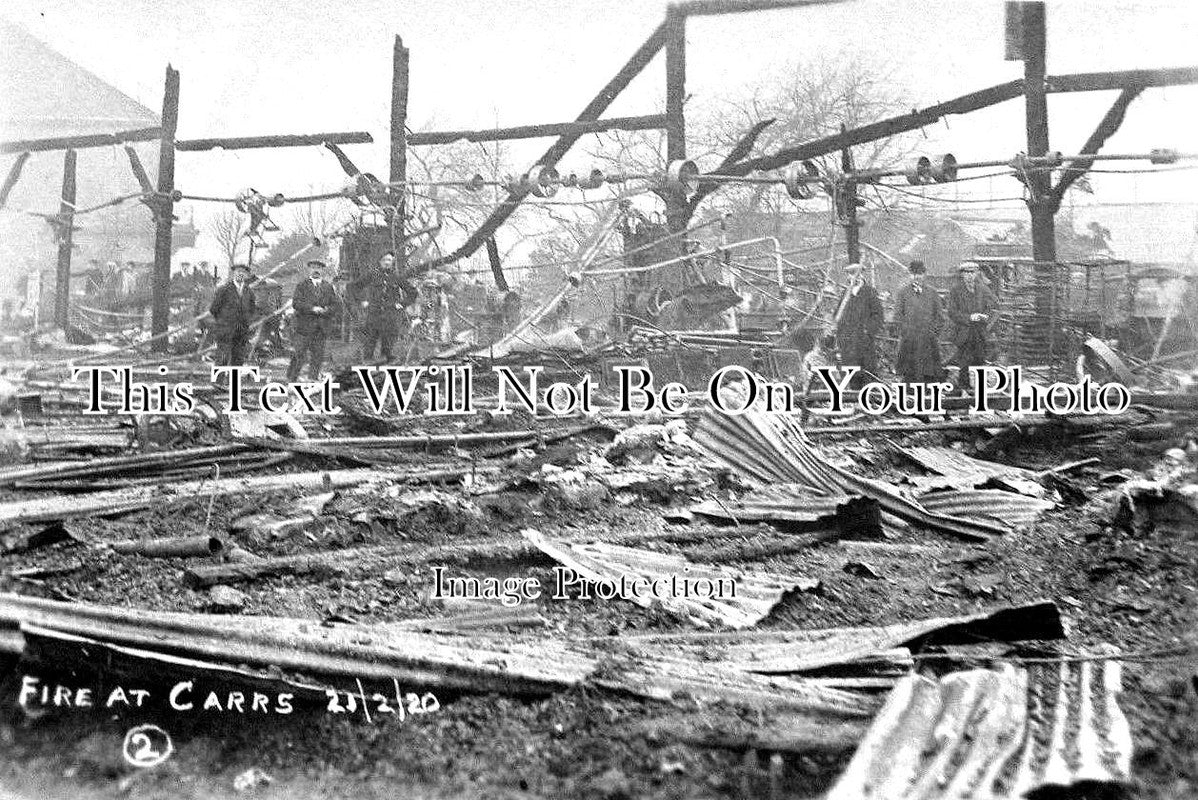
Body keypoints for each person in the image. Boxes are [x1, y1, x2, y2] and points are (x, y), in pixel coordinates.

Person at [350, 252, 416, 363]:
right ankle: (367, 368)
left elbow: (413, 292)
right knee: (370, 343)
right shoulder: (372, 275)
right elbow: (354, 287)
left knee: (388, 346)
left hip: (390, 315)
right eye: (384, 259)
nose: (386, 262)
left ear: (392, 262)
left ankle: (384, 370)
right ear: (380, 261)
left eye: (389, 260)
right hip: (374, 314)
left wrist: (402, 304)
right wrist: (362, 301)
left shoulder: (396, 277)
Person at [947, 260, 998, 393]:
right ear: (962, 274)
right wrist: (969, 317)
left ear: (976, 274)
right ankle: (964, 389)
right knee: (964, 362)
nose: (969, 275)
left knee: (980, 359)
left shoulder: (983, 289)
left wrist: (986, 316)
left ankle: (979, 390)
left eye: (972, 272)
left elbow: (992, 305)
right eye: (966, 273)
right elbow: (952, 312)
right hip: (964, 332)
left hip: (980, 332)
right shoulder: (955, 290)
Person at [287, 260, 341, 381]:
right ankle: (291, 380)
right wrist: (312, 309)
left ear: (322, 270)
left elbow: (335, 305)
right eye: (313, 267)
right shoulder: (302, 285)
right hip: (304, 327)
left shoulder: (328, 287)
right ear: (309, 269)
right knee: (299, 354)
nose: (316, 270)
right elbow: (296, 303)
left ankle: (312, 380)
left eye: (319, 268)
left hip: (321, 328)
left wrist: (326, 310)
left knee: (317, 356)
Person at [894, 260, 945, 384]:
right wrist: (905, 331)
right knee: (909, 372)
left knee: (929, 372)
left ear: (924, 275)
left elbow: (939, 317)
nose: (917, 277)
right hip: (909, 340)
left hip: (928, 339)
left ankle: (928, 394)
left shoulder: (932, 293)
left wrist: (933, 332)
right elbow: (898, 316)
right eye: (914, 274)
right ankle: (909, 396)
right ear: (910, 275)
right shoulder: (903, 293)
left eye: (920, 274)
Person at [834, 262, 883, 388]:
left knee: (867, 375)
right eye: (849, 274)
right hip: (848, 344)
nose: (852, 277)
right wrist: (841, 337)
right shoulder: (845, 294)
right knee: (851, 375)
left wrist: (868, 333)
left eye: (854, 274)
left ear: (861, 275)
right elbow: (838, 317)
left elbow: (878, 316)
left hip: (863, 344)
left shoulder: (869, 292)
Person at [209, 263, 257, 368]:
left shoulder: (249, 292)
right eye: (238, 272)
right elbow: (213, 309)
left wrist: (246, 322)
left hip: (241, 331)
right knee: (222, 358)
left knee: (238, 359)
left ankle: (234, 383)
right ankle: (218, 382)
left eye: (243, 272)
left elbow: (252, 310)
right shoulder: (224, 290)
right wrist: (224, 321)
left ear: (246, 275)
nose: (240, 274)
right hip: (225, 330)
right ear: (233, 273)